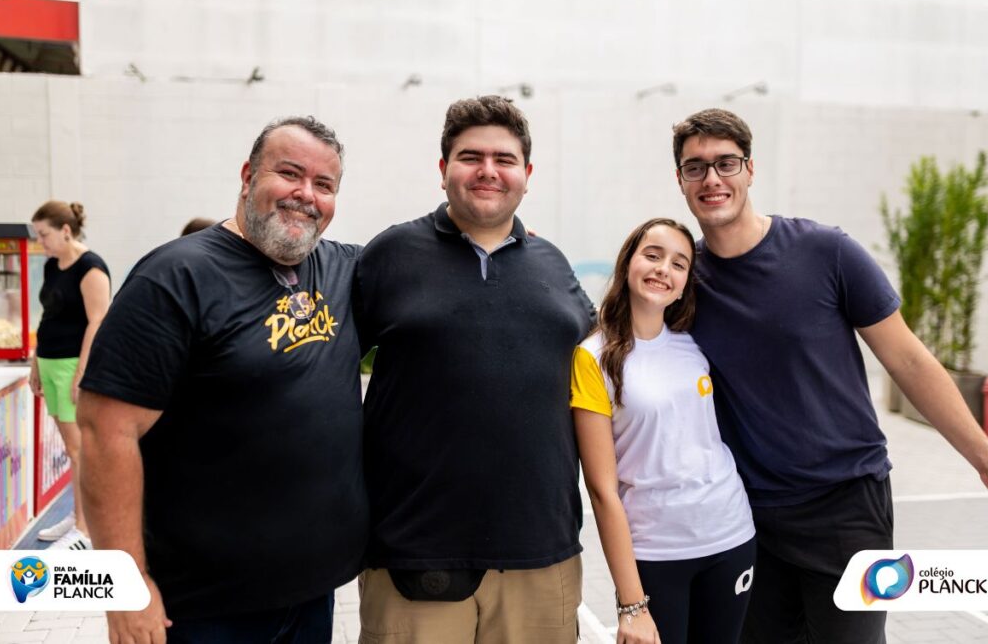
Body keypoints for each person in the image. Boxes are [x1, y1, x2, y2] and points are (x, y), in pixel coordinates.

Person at [672, 108, 988, 644]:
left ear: (750, 170)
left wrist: (986, 459)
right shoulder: (685, 283)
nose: (712, 178)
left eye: (725, 163)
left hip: (849, 508)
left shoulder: (825, 252)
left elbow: (910, 361)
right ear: (681, 180)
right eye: (695, 167)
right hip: (746, 517)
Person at [77, 117, 367, 644]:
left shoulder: (344, 270)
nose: (306, 195)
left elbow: (430, 263)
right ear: (248, 175)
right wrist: (125, 587)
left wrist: (500, 236)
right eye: (289, 174)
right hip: (204, 610)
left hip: (312, 597)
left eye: (324, 185)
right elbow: (104, 435)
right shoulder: (175, 278)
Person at [354, 95, 596, 643]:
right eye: (470, 157)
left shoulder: (553, 265)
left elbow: (604, 356)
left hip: (543, 557)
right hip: (415, 555)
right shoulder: (389, 256)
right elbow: (322, 367)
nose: (488, 171)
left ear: (527, 175)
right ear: (443, 171)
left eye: (504, 159)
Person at [571, 217, 755, 644]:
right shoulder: (592, 358)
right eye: (652, 255)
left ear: (686, 280)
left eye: (679, 264)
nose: (663, 270)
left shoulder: (695, 343)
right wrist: (631, 604)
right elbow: (602, 490)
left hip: (730, 536)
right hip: (656, 551)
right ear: (628, 262)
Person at [29, 200, 111, 551]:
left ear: (65, 230)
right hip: (49, 362)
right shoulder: (52, 266)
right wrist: (35, 361)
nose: (40, 243)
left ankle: (84, 528)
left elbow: (98, 321)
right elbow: (47, 317)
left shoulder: (91, 267)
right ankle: (77, 517)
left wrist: (81, 372)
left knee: (80, 450)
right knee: (71, 449)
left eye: (44, 235)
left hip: (71, 365)